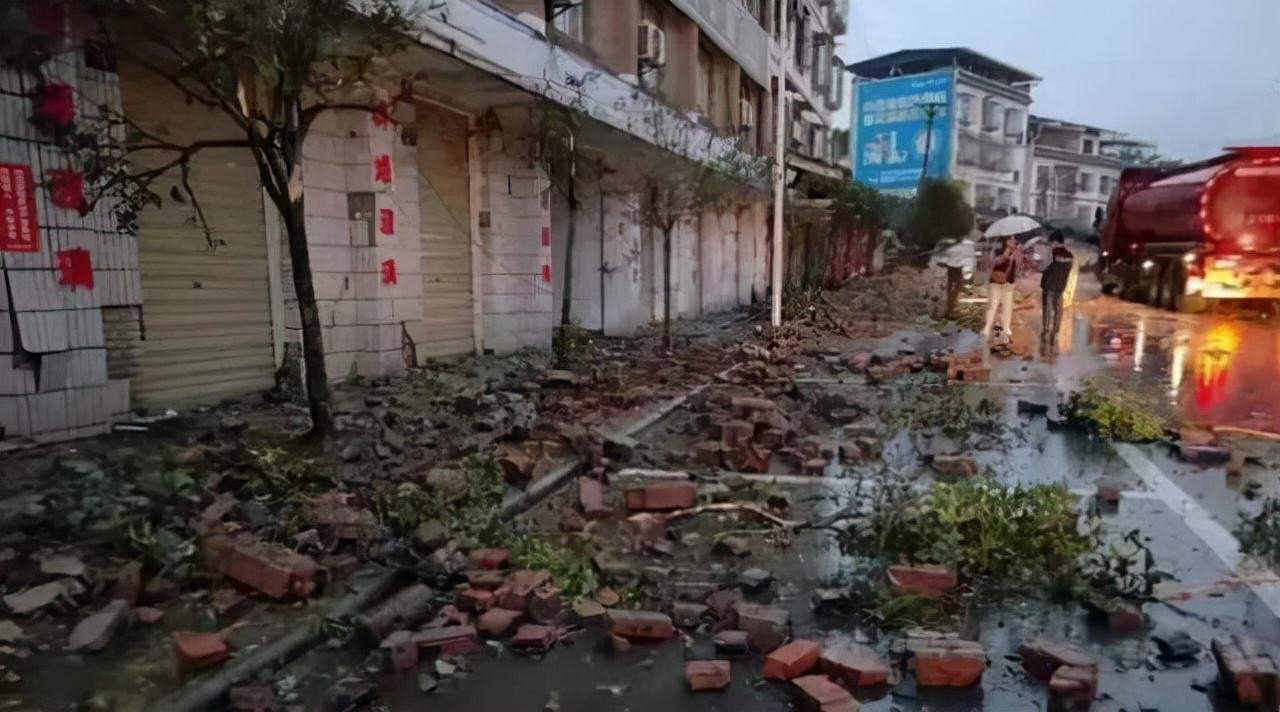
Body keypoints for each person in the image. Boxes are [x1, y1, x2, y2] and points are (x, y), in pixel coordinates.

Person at [1040, 230, 1075, 351]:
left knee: (1047, 309)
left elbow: (1044, 267)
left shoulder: (1052, 254)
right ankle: (1055, 331)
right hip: (1060, 286)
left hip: (1049, 285)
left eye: (1052, 242)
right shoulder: (1070, 256)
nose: (1051, 245)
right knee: (1058, 308)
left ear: (1055, 242)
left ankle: (1046, 330)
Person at [982, 235, 1019, 341]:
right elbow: (995, 262)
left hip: (1009, 283)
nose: (1013, 241)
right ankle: (987, 327)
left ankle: (1006, 327)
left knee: (1007, 306)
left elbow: (1020, 265)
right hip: (995, 282)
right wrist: (1006, 253)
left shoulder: (1016, 251)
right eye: (1010, 239)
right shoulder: (997, 250)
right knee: (992, 305)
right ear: (1005, 241)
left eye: (1014, 239)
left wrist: (1015, 254)